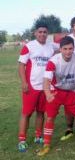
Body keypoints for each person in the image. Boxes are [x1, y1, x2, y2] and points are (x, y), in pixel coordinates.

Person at [37, 36, 75, 156]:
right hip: (56, 92)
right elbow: (46, 79)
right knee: (50, 117)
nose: (68, 51)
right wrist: (47, 94)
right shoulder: (53, 61)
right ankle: (46, 145)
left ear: (74, 48)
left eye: (70, 48)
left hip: (72, 92)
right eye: (65, 49)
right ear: (60, 49)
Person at [17, 23, 55, 152]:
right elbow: (21, 65)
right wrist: (24, 82)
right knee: (26, 113)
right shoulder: (29, 46)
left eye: (45, 32)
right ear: (35, 33)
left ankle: (38, 136)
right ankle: (22, 140)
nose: (42, 34)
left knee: (40, 112)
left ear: (47, 33)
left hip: (45, 86)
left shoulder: (51, 47)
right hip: (31, 86)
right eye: (40, 32)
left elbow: (65, 44)